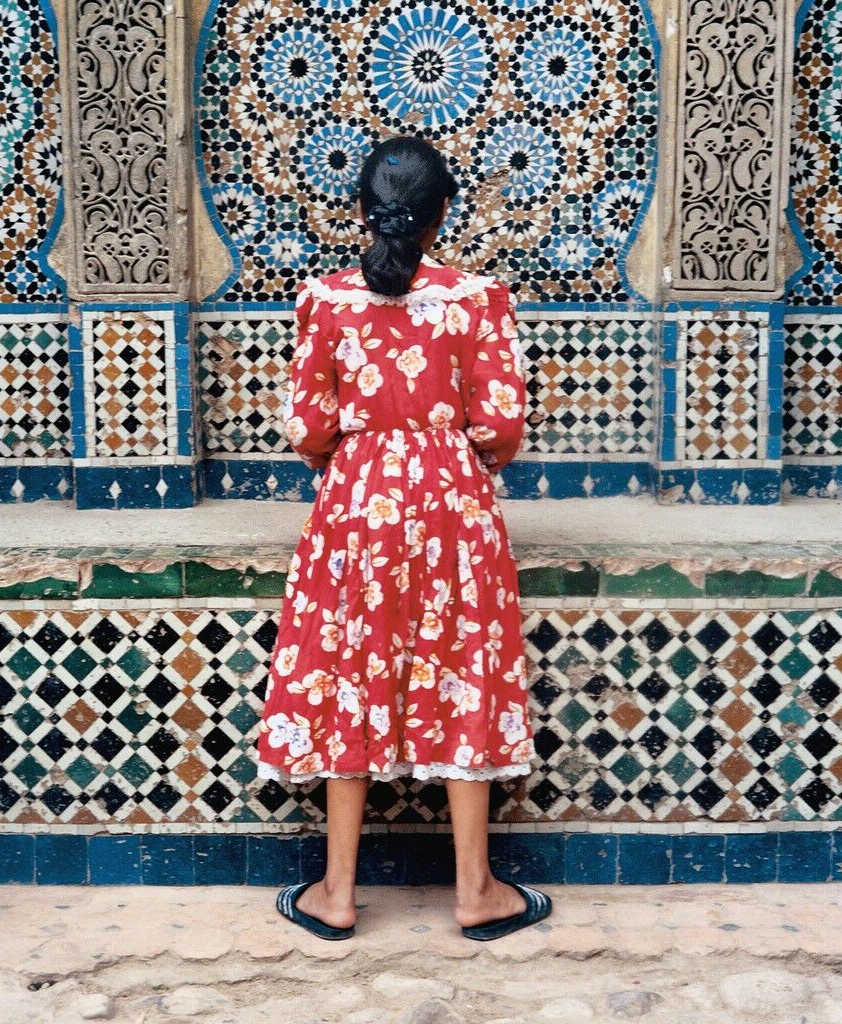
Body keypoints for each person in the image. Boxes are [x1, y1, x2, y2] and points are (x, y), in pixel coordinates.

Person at [258, 135, 551, 942]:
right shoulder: (479, 298)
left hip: (355, 504)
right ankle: (475, 891)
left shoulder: (323, 299)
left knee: (349, 673)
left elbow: (306, 425)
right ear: (443, 213)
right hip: (454, 506)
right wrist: (452, 452)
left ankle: (338, 893)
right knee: (465, 671)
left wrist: (356, 457)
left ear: (363, 209)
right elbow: (500, 424)